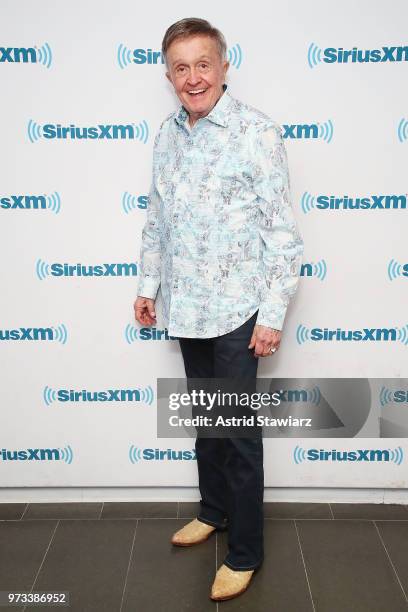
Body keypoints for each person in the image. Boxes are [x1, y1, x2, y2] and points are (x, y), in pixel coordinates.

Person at [134, 17, 303, 601]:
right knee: (207, 423)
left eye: (202, 64)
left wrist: (273, 312)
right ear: (168, 75)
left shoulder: (258, 133)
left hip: (237, 312)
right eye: (180, 68)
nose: (192, 77)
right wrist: (148, 285)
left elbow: (283, 233)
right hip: (185, 306)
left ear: (224, 66)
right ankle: (212, 511)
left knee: (236, 434)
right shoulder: (167, 134)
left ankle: (246, 551)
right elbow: (157, 218)